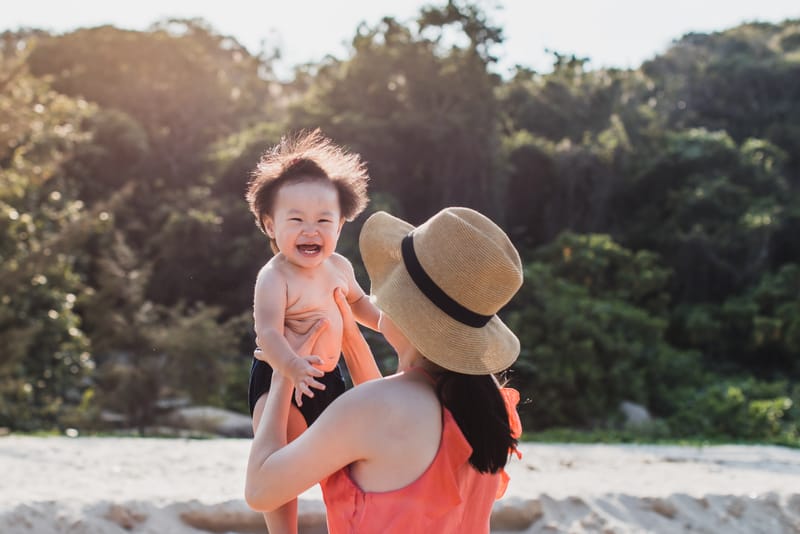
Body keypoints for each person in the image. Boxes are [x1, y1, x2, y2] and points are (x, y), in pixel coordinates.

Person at [246, 207, 524, 533]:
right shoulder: (489, 407)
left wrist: (283, 373)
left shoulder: (375, 409)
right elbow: (390, 431)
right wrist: (350, 337)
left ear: (405, 306)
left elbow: (261, 490)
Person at [244, 129, 381, 534]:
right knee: (279, 460)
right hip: (280, 378)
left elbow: (358, 305)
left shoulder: (339, 267)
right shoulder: (274, 277)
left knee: (343, 469)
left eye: (324, 220)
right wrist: (293, 367)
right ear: (270, 225)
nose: (311, 230)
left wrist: (387, 322)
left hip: (329, 377)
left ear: (341, 223)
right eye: (296, 220)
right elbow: (267, 334)